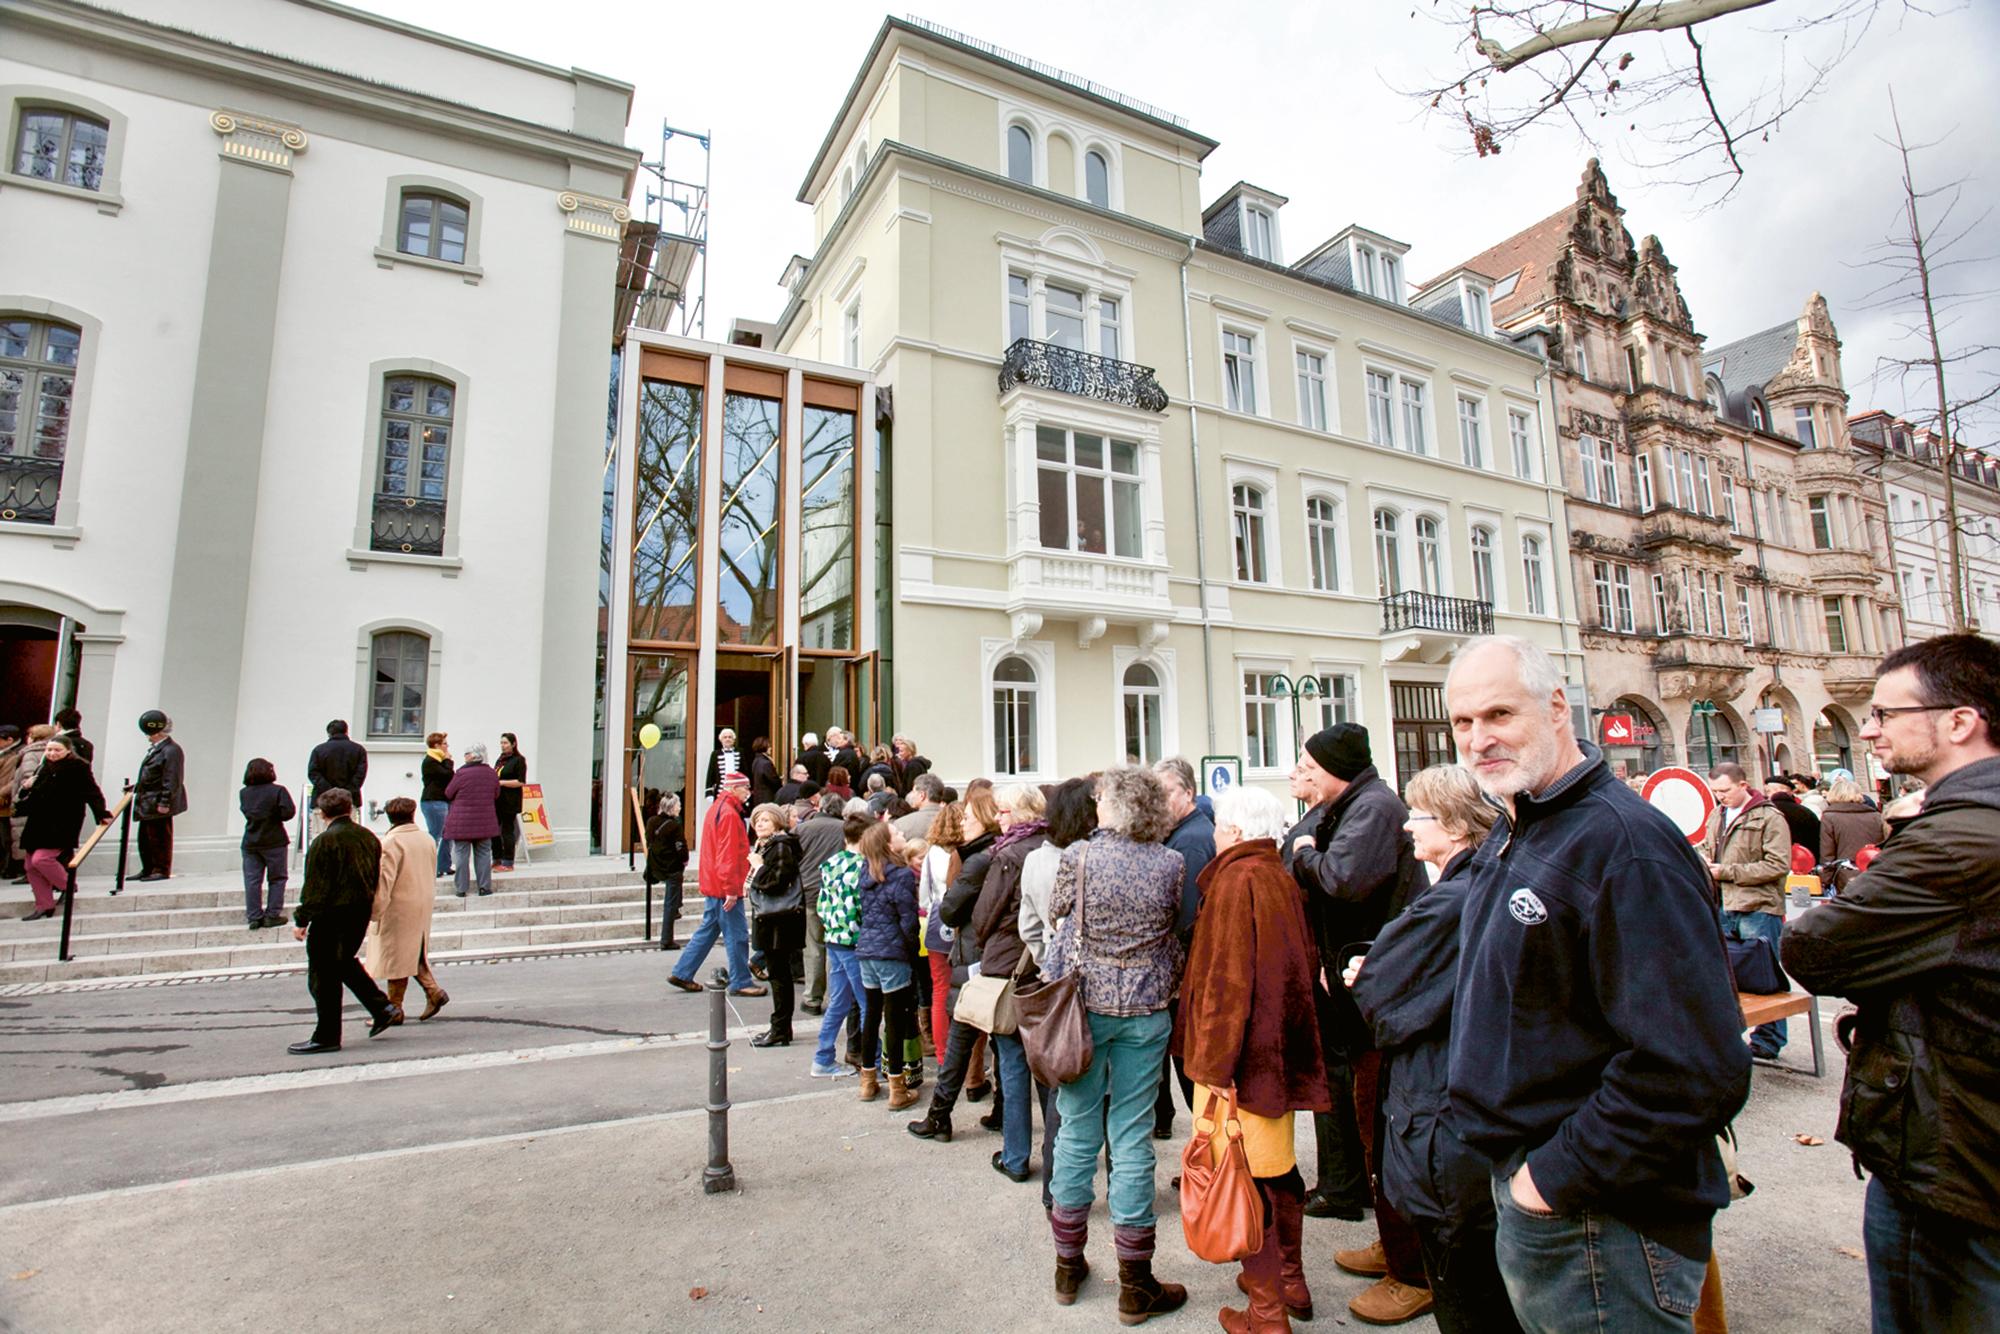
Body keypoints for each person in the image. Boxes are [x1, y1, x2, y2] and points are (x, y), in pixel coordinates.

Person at [1446, 635, 1750, 1333]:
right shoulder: (1518, 824)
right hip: (1549, 1191)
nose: (1479, 738)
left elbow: (1693, 1067)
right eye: (1463, 722)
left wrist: (1549, 1180)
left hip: (1601, 1214)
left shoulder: (1626, 845)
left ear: (1556, 707)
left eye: (1498, 714)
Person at [1781, 634, 2000, 1332]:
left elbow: (1813, 949)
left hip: (1951, 1158)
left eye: (1885, 713)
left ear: (1960, 721)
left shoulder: (1955, 842)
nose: (1869, 728)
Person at [1351, 765, 1520, 1334]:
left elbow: (1383, 993)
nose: (1406, 828)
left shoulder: (1455, 898)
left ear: (1451, 824)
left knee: (1465, 1283)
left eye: (1417, 817)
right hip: (1455, 1110)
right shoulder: (1484, 880)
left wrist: (1372, 973)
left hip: (1443, 1112)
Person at [1284, 719, 1424, 1327]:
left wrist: (1308, 856)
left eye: (1310, 768)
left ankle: (1411, 1266)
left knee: (1384, 1112)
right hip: (1354, 978)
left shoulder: (1375, 808)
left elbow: (1340, 878)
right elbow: (1302, 846)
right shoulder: (1351, 803)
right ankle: (1392, 1239)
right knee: (1366, 1108)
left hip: (1377, 982)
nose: (1302, 775)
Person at [1039, 765, 1187, 1324]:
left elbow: (1056, 914)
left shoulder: (1078, 857)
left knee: (1077, 1128)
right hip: (1146, 1007)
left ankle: (1068, 1265)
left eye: (1101, 799)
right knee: (1132, 1134)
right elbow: (1172, 921)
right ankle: (1134, 1280)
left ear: (1114, 807)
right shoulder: (1171, 862)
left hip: (1083, 1009)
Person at [1181, 784, 1328, 1333]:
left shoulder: (1235, 880)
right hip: (1277, 1052)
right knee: (1276, 1168)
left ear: (1237, 832)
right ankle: (1289, 1280)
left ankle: (1267, 1313)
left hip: (1241, 1062)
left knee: (1246, 1178)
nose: (1215, 833)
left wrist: (1214, 1070)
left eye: (1220, 825)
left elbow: (1225, 984)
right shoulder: (1276, 875)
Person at [1020, 777, 1099, 1210]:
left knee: (1059, 1081)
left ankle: (1057, 1187)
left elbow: (1028, 925)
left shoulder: (1037, 860)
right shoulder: (1091, 857)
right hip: (1094, 981)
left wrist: (1046, 957)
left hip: (1054, 977)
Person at [905, 791, 1002, 1143]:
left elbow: (950, 908)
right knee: (999, 1039)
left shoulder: (977, 860)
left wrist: (949, 902)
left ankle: (939, 1116)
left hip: (976, 955)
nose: (962, 822)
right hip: (986, 954)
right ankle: (998, 1109)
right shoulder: (993, 853)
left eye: (968, 818)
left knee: (963, 1032)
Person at [971, 783, 1050, 1181]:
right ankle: (1053, 1157)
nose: (997, 818)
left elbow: (984, 915)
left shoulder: (1009, 855)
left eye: (1002, 812)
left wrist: (986, 938)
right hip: (1042, 966)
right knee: (1048, 1066)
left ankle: (1016, 1155)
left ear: (1018, 814)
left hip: (1009, 965)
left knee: (1014, 1063)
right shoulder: (1050, 847)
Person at [288, 789, 399, 1054]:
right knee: (344, 962)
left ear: (322, 813)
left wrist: (302, 918)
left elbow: (316, 886)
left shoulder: (325, 841)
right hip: (358, 910)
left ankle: (327, 1034)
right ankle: (381, 1006)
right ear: (349, 809)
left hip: (332, 912)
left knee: (323, 975)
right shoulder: (368, 837)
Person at [1702, 762, 1793, 1058]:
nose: (1720, 797)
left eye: (1725, 791)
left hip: (1758, 906)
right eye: (1716, 791)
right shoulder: (1717, 814)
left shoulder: (1770, 817)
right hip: (1724, 904)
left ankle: (1769, 1039)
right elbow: (1709, 847)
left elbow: (1778, 865)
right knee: (1728, 975)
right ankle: (1734, 1033)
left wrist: (1726, 872)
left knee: (1766, 976)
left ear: (1743, 785)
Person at [1152, 756, 1214, 1140]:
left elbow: (1187, 919)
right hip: (1185, 973)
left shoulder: (1190, 841)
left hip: (1187, 975)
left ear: (1188, 793)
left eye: (1167, 793)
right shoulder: (1182, 834)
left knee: (1192, 1071)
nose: (1161, 801)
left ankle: (1208, 1163)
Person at [667, 772, 766, 997]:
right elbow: (728, 855)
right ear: (734, 789)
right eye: (746, 787)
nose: (749, 792)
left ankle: (683, 972)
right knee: (737, 935)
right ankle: (741, 981)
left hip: (714, 882)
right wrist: (731, 889)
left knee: (709, 929)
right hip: (723, 885)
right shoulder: (730, 814)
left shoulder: (717, 810)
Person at [853, 820, 921, 1107]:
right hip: (892, 953)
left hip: (867, 951)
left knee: (870, 1014)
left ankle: (868, 1082)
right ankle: (897, 1087)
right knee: (893, 1019)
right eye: (896, 833)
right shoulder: (902, 876)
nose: (902, 833)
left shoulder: (866, 873)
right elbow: (907, 920)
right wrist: (912, 949)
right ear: (886, 843)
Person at [370, 797, 448, 1022]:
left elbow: (385, 879)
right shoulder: (426, 839)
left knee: (397, 957)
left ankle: (395, 1008)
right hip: (421, 901)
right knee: (411, 952)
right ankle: (433, 991)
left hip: (398, 906)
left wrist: (376, 909)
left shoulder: (391, 842)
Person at [17, 736, 110, 921]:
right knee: (30, 865)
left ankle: (67, 885)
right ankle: (44, 905)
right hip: (38, 821)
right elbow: (33, 794)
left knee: (41, 859)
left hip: (63, 821)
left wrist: (101, 813)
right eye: (49, 750)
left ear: (68, 750)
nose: (52, 753)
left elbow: (92, 792)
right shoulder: (43, 767)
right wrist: (26, 788)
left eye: (57, 750)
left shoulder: (79, 768)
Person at [810, 811, 872, 1078]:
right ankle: (874, 1062)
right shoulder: (862, 867)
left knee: (840, 1001)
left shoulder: (832, 862)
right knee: (867, 1003)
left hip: (834, 937)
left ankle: (823, 1056)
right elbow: (861, 907)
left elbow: (823, 904)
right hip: (853, 940)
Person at [747, 802, 805, 1046]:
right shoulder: (766, 845)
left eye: (766, 820)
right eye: (758, 820)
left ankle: (780, 1028)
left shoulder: (779, 846)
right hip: (771, 918)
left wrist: (759, 868)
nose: (760, 824)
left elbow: (776, 881)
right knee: (778, 975)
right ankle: (781, 1027)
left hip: (779, 919)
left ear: (777, 823)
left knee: (779, 976)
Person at [794, 791, 847, 1014]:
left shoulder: (802, 829)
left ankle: (812, 998)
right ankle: (835, 997)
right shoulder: (846, 830)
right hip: (838, 894)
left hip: (810, 893)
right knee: (835, 946)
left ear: (820, 807)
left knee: (814, 946)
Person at [238, 758, 297, 930]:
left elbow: (246, 811)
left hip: (251, 839)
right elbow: (288, 812)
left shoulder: (244, 793)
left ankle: (254, 915)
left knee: (252, 880)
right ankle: (272, 914)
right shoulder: (278, 791)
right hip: (274, 839)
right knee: (277, 878)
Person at [132, 711, 186, 881]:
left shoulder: (171, 750)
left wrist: (165, 801)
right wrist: (136, 787)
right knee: (146, 837)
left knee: (159, 837)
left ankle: (160, 869)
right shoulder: (157, 750)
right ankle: (148, 867)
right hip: (147, 799)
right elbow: (152, 775)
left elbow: (172, 778)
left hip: (157, 800)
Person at [442, 741, 500, 897]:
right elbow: (496, 794)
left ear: (474, 756)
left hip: (462, 822)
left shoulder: (461, 773)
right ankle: (484, 887)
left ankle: (461, 888)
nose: (464, 756)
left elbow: (448, 793)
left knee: (461, 855)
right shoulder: (491, 773)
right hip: (485, 821)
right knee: (483, 854)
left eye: (466, 753)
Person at [1818, 774, 1887, 892]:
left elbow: (1827, 852)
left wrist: (1826, 880)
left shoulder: (1829, 817)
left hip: (1846, 874)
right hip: (1875, 872)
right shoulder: (1876, 816)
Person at [644, 794, 689, 950]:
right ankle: (666, 939)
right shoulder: (675, 825)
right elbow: (680, 846)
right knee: (670, 903)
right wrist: (685, 860)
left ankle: (677, 907)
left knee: (673, 898)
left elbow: (649, 841)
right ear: (671, 807)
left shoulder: (651, 822)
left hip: (656, 865)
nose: (680, 807)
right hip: (672, 867)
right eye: (678, 805)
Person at [307, 720, 368, 818]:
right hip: (349, 801)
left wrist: (330, 791)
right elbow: (360, 775)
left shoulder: (319, 750)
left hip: (323, 801)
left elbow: (313, 773)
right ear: (346, 732)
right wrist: (346, 791)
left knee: (322, 832)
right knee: (347, 831)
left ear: (329, 733)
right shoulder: (358, 750)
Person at [419, 732, 455, 879]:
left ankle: (443, 865)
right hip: (433, 801)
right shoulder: (431, 761)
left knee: (448, 834)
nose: (447, 746)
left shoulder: (438, 760)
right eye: (445, 743)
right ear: (437, 745)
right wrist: (448, 761)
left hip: (443, 800)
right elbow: (447, 775)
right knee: (436, 834)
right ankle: (431, 867)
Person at [1763, 778, 1821, 860]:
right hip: (1805, 862)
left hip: (1773, 862)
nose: (1767, 795)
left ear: (1778, 790)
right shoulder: (1806, 812)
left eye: (1768, 791)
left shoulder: (1764, 812)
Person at [493, 732, 528, 871]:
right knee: (494, 830)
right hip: (497, 800)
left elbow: (520, 781)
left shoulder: (518, 760)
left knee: (507, 830)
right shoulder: (500, 760)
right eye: (501, 743)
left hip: (510, 800)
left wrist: (501, 783)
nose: (503, 746)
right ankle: (497, 858)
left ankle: (508, 861)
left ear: (513, 744)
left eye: (506, 743)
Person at [894, 772, 945, 840]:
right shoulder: (956, 821)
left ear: (922, 795)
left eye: (913, 792)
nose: (912, 795)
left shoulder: (902, 824)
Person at [0, 725, 21, 880]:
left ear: (9, 739)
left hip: (5, 801)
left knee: (6, 837)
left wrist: (1, 793)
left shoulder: (17, 754)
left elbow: (15, 779)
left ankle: (9, 867)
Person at [703, 728, 742, 799]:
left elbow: (745, 771)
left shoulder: (740, 752)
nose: (727, 739)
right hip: (721, 790)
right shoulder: (715, 754)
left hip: (737, 790)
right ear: (721, 740)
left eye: (730, 737)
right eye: (725, 737)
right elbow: (710, 773)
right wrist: (709, 792)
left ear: (734, 740)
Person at [748, 737, 782, 808]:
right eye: (769, 746)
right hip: (767, 797)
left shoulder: (756, 760)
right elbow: (774, 781)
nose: (771, 748)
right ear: (763, 747)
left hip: (758, 797)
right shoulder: (766, 763)